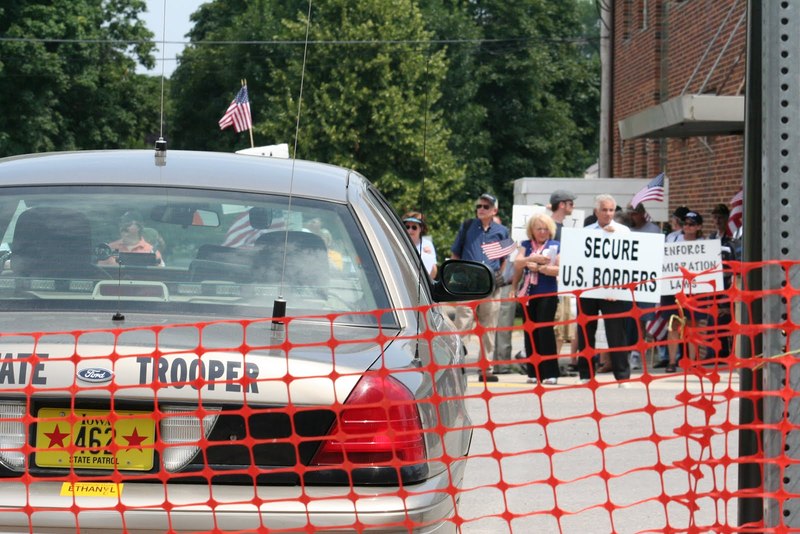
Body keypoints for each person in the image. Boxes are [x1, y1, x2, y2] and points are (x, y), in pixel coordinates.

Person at [451, 193, 512, 382]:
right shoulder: (467, 226)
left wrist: (499, 278)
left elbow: (505, 260)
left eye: (486, 207)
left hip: (490, 284)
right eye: (479, 206)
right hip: (469, 283)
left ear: (494, 210)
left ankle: (486, 369)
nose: (481, 209)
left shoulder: (502, 230)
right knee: (463, 323)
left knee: (489, 327)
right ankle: (455, 366)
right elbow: (455, 254)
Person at [576, 194, 632, 386]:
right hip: (589, 289)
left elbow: (630, 262)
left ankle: (622, 377)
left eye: (611, 210)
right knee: (585, 331)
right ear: (596, 211)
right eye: (604, 210)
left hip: (614, 291)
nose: (608, 214)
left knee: (617, 334)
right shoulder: (585, 232)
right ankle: (586, 375)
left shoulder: (624, 232)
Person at [513, 213, 561, 385]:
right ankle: (533, 372)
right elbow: (518, 264)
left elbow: (559, 269)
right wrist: (531, 259)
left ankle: (551, 372)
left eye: (545, 228)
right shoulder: (525, 246)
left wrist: (541, 268)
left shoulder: (555, 245)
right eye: (539, 228)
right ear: (532, 231)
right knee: (530, 331)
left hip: (547, 292)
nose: (542, 232)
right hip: (528, 294)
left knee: (545, 331)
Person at [664, 210, 706, 372]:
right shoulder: (672, 238)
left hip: (696, 290)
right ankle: (672, 362)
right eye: (685, 224)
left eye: (691, 224)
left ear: (699, 226)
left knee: (693, 326)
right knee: (673, 325)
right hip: (673, 288)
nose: (687, 227)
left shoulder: (705, 243)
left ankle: (692, 362)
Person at [625, 203, 661, 370]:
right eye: (630, 214)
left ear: (642, 214)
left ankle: (637, 353)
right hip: (627, 281)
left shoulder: (653, 230)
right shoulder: (624, 230)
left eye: (634, 214)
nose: (631, 217)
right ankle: (631, 351)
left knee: (644, 319)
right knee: (629, 317)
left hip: (647, 281)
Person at [548, 189, 578, 362]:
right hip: (553, 283)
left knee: (562, 327)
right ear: (561, 205)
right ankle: (550, 363)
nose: (572, 206)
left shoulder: (560, 227)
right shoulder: (551, 227)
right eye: (570, 203)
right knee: (557, 326)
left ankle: (554, 363)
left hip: (563, 282)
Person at [403, 212, 437, 278]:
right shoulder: (400, 243)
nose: (410, 230)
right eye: (407, 227)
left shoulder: (428, 244)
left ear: (421, 229)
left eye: (414, 227)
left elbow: (433, 273)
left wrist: (429, 258)